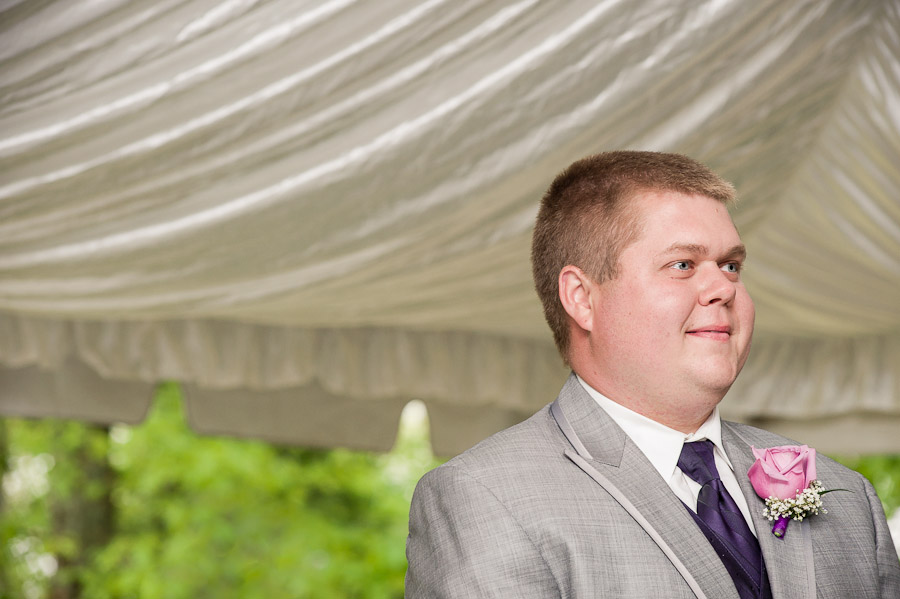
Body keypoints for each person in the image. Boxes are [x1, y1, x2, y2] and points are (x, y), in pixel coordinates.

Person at [405, 151, 900, 598]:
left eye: (731, 266)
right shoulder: (485, 496)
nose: (722, 289)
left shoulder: (845, 494)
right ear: (582, 297)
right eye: (683, 264)